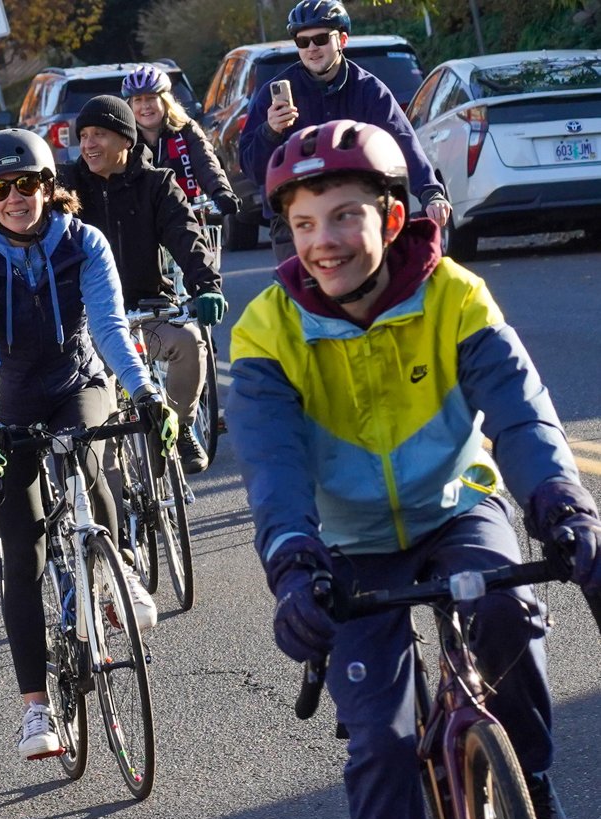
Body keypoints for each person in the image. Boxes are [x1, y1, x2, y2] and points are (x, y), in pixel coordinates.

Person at [228, 119, 597, 819]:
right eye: (306, 222)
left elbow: (518, 412)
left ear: (390, 216)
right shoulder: (266, 327)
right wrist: (289, 560)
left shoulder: (453, 294)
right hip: (344, 548)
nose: (326, 240)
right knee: (382, 747)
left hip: (453, 510)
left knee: (508, 613)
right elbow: (269, 466)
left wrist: (561, 502)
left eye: (345, 215)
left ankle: (534, 792)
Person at [0, 128, 166, 756]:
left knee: (85, 450)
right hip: (5, 401)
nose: (16, 197)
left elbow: (109, 325)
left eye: (28, 184)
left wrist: (146, 391)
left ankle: (112, 571)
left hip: (76, 378)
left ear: (49, 185)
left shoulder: (83, 242)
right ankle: (37, 711)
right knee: (24, 553)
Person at [61, 95, 226, 475]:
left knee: (189, 342)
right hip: (88, 322)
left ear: (126, 140)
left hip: (147, 306)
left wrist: (207, 285)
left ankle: (181, 426)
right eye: (83, 136)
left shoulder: (158, 184)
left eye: (99, 134)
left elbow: (186, 236)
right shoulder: (66, 185)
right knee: (102, 436)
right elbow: (29, 204)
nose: (87, 144)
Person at [240, 0, 450, 262]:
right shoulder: (272, 96)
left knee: (367, 294)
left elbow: (403, 142)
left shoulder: (369, 90)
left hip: (356, 216)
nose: (312, 48)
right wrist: (270, 131)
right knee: (304, 299)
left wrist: (431, 192)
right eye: (303, 42)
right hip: (295, 223)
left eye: (320, 39)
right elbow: (252, 168)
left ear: (343, 40)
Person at [121, 66, 240, 216]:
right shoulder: (123, 138)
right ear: (130, 106)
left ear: (164, 101)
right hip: (142, 220)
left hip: (186, 216)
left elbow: (205, 163)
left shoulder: (186, 129)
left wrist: (221, 190)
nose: (145, 106)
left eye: (151, 98)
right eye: (138, 100)